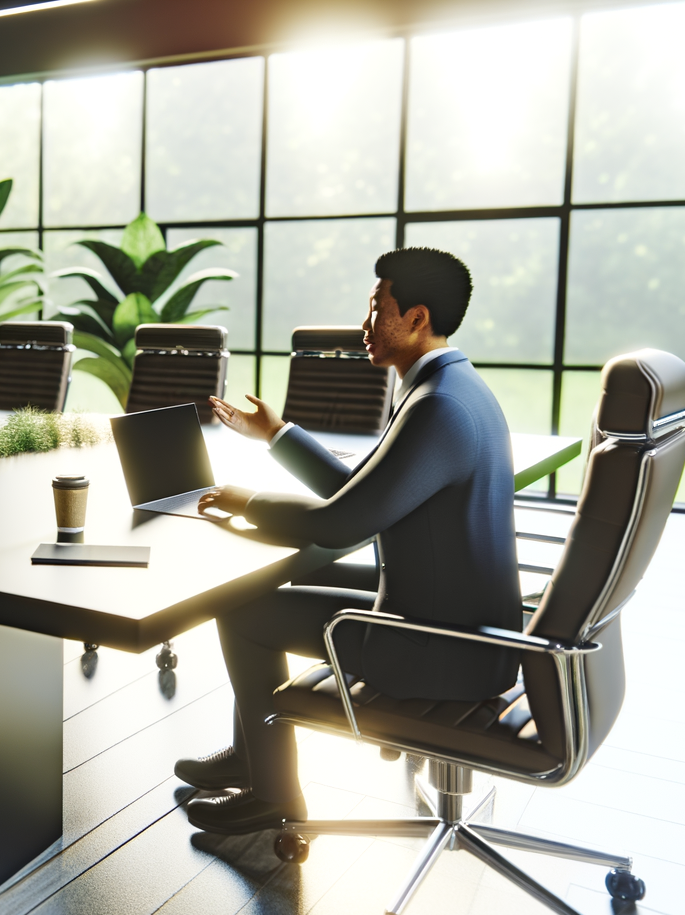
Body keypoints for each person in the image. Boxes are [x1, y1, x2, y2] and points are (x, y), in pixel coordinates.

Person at [179, 247, 521, 835]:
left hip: (436, 645)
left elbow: (342, 522)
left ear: (415, 318)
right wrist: (277, 433)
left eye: (376, 309)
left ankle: (272, 793)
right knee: (283, 584)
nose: (364, 325)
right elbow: (360, 490)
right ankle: (254, 756)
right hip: (463, 623)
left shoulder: (437, 407)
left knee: (242, 609)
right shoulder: (453, 386)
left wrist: (245, 501)